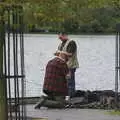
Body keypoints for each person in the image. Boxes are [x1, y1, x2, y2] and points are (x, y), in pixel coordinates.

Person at [55, 32, 79, 98]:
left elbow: (70, 54)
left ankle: (71, 97)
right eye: (59, 38)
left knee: (70, 82)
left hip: (71, 65)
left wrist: (60, 52)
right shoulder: (60, 44)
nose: (60, 39)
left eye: (61, 38)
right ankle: (65, 96)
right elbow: (60, 54)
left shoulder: (72, 42)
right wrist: (57, 54)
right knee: (63, 82)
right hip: (62, 66)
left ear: (65, 35)